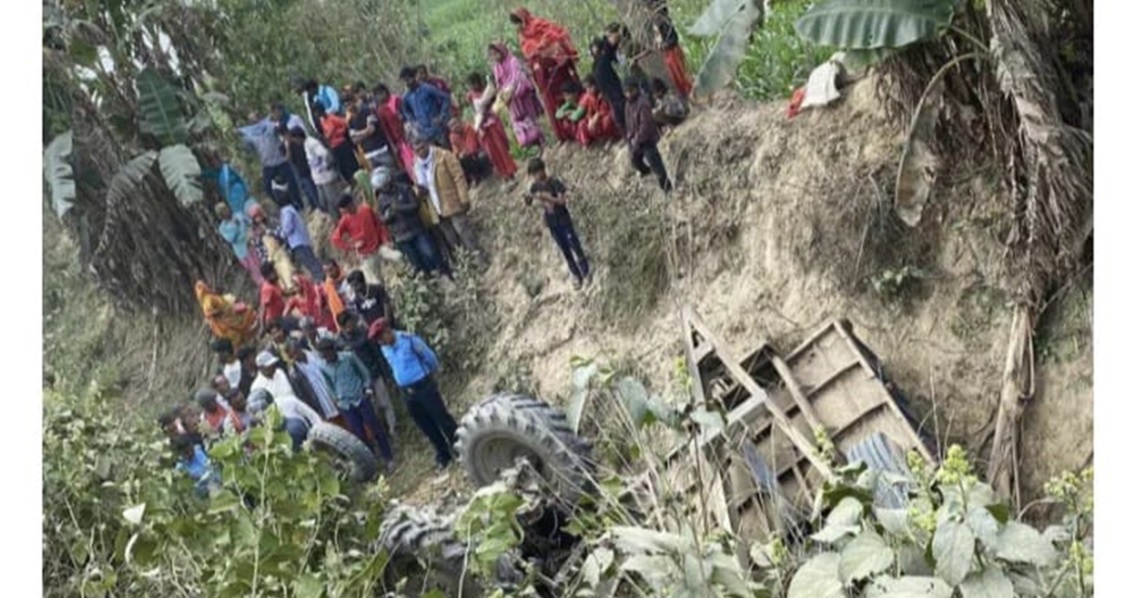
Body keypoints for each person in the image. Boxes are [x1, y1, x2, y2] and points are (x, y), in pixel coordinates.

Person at [371, 319, 459, 470]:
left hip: (423, 386)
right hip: (407, 391)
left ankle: (458, 447)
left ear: (388, 331)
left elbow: (429, 357)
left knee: (441, 418)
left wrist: (430, 378)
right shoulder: (385, 349)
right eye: (378, 341)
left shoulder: (409, 340)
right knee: (426, 425)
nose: (380, 343)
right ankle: (443, 454)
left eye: (381, 338)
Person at [316, 338, 395, 471]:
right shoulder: (324, 367)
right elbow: (329, 385)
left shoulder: (348, 357)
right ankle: (372, 464)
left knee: (375, 427)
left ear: (332, 350)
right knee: (360, 435)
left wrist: (367, 389)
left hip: (360, 398)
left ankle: (388, 457)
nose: (326, 357)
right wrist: (337, 399)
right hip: (346, 405)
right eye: (323, 355)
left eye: (327, 353)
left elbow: (364, 373)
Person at [510, 8, 581, 143]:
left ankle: (578, 129)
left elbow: (555, 35)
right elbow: (529, 54)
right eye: (514, 24)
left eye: (518, 22)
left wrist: (543, 48)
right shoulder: (522, 37)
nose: (517, 26)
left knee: (567, 96)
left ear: (523, 19)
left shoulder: (539, 25)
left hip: (556, 70)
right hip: (542, 75)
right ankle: (563, 134)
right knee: (552, 102)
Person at [412, 139, 483, 263]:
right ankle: (465, 262)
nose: (420, 152)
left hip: (451, 200)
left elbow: (458, 176)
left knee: (463, 229)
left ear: (428, 144)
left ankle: (479, 257)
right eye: (417, 150)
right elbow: (420, 187)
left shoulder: (443, 156)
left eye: (422, 147)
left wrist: (464, 197)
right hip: (435, 207)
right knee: (451, 238)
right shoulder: (417, 166)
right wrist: (420, 191)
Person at [526, 158, 591, 288]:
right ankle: (576, 275)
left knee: (575, 246)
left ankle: (586, 273)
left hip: (563, 220)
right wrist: (528, 198)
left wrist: (547, 197)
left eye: (536, 173)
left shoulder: (554, 183)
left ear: (542, 170)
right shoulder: (535, 187)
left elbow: (562, 201)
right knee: (565, 250)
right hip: (552, 223)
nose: (535, 177)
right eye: (533, 175)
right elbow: (530, 202)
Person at [376, 171, 449, 278]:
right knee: (416, 262)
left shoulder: (404, 189)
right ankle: (429, 281)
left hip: (416, 229)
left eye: (385, 185)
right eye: (382, 187)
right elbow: (382, 219)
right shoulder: (381, 200)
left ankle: (444, 272)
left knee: (431, 252)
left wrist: (399, 208)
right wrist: (389, 216)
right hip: (401, 236)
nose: (385, 188)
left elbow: (415, 206)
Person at [336, 311, 397, 436]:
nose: (349, 328)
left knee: (385, 402)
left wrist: (385, 373)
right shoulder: (340, 343)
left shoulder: (363, 334)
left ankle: (393, 428)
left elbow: (377, 354)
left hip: (373, 372)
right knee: (372, 408)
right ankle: (382, 431)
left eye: (350, 324)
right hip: (359, 381)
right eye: (346, 326)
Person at [249, 350, 323, 447]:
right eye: (269, 365)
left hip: (295, 407)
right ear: (261, 368)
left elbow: (290, 393)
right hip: (280, 423)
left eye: (273, 364)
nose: (273, 367)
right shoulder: (256, 387)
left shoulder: (280, 372)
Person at [488, 42, 545, 152]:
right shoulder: (496, 68)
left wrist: (511, 90)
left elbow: (516, 77)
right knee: (518, 121)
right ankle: (529, 144)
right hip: (511, 100)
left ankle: (540, 142)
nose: (494, 57)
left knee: (530, 117)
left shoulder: (513, 61)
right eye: (492, 55)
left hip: (522, 94)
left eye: (495, 53)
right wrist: (502, 94)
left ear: (501, 51)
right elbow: (498, 83)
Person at [239, 111, 301, 204]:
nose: (254, 120)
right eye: (251, 119)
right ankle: (281, 203)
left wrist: (287, 149)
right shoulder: (250, 134)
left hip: (280, 159)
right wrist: (244, 141)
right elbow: (249, 149)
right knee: (267, 187)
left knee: (292, 182)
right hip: (267, 164)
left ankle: (298, 202)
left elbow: (282, 132)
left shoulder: (269, 126)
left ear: (259, 117)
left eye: (255, 117)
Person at [331, 193, 393, 285]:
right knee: (377, 282)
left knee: (398, 258)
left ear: (351, 203)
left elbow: (379, 224)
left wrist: (385, 239)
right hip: (366, 254)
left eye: (347, 208)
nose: (347, 211)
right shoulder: (345, 220)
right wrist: (352, 246)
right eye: (345, 210)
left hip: (379, 246)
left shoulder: (366, 209)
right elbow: (335, 239)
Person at [465, 72, 518, 179]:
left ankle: (510, 172)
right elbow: (475, 110)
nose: (474, 86)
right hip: (483, 126)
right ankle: (504, 175)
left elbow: (493, 104)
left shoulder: (488, 90)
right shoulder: (471, 96)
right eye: (471, 85)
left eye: (475, 83)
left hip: (492, 122)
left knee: (501, 148)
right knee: (492, 152)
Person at [624, 79, 674, 192]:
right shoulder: (628, 105)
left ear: (636, 89)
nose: (629, 94)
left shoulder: (643, 103)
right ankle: (646, 172)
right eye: (626, 92)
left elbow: (645, 126)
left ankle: (667, 188)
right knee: (634, 159)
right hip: (636, 139)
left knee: (657, 165)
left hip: (647, 140)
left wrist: (637, 139)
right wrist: (630, 138)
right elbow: (628, 123)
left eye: (631, 91)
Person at [347, 92, 396, 188]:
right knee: (379, 182)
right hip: (369, 155)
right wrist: (366, 131)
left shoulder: (367, 111)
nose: (348, 107)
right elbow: (354, 141)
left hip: (381, 149)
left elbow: (372, 129)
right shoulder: (351, 121)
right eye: (345, 105)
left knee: (393, 175)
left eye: (349, 103)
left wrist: (358, 133)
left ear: (354, 101)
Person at [290, 127, 342, 215]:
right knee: (323, 202)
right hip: (319, 178)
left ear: (298, 137)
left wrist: (326, 165)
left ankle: (339, 219)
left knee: (332, 201)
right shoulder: (306, 145)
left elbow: (324, 153)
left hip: (326, 177)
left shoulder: (312, 143)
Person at [248, 203, 298, 294]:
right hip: (270, 258)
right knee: (279, 276)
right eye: (255, 217)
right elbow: (258, 248)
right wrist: (265, 260)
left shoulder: (272, 222)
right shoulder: (254, 232)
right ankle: (287, 292)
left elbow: (281, 234)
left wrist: (268, 231)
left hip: (280, 251)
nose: (258, 219)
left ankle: (294, 287)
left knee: (288, 270)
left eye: (259, 215)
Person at [285, 338, 340, 420]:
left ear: (299, 348)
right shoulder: (294, 373)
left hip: (334, 391)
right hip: (320, 401)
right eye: (292, 356)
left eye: (296, 353)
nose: (295, 357)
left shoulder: (315, 354)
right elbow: (302, 395)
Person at [648, 0, 694, 98]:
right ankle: (687, 96)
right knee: (676, 78)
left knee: (681, 76)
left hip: (673, 51)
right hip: (667, 53)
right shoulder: (657, 23)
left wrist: (664, 45)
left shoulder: (665, 22)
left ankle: (692, 94)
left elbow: (673, 39)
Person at [399, 66, 453, 149]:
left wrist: (441, 116)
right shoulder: (406, 96)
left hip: (438, 128)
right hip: (424, 132)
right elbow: (405, 111)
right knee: (434, 157)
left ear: (413, 77)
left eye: (408, 79)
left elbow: (445, 98)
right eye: (404, 81)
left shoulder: (426, 88)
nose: (407, 83)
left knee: (447, 152)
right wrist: (413, 122)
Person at [271, 197, 323, 281]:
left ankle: (321, 278)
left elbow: (288, 227)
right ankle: (321, 277)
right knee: (311, 260)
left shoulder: (286, 211)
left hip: (298, 242)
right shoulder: (291, 209)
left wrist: (281, 235)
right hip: (302, 240)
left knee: (309, 262)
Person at [373, 83, 417, 178]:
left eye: (381, 93)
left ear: (386, 91)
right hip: (399, 140)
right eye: (377, 95)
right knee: (409, 160)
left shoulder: (396, 100)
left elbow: (407, 113)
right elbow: (386, 129)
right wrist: (392, 144)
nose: (380, 96)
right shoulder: (381, 110)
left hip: (409, 132)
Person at [196, 281, 258, 349]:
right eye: (204, 286)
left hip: (229, 314)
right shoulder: (207, 300)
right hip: (225, 320)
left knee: (246, 315)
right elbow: (209, 313)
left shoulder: (210, 297)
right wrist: (221, 311)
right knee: (237, 332)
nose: (206, 286)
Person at [214, 202, 263, 285]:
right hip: (243, 251)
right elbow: (231, 238)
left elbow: (250, 222)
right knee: (255, 270)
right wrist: (235, 225)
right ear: (220, 215)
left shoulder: (239, 214)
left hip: (253, 243)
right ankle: (264, 286)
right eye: (222, 211)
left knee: (263, 263)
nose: (226, 211)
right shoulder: (223, 228)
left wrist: (250, 231)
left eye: (225, 208)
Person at [280, 121, 321, 212]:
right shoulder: (284, 146)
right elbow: (288, 160)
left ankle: (321, 205)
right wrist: (288, 147)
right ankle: (318, 206)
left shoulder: (296, 137)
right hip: (300, 170)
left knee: (318, 187)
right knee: (310, 190)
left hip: (309, 165)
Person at [589, 36, 627, 134]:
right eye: (592, 47)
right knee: (617, 116)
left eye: (595, 46)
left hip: (615, 88)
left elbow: (610, 47)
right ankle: (625, 134)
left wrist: (605, 38)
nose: (594, 49)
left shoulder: (605, 56)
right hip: (607, 93)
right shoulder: (594, 65)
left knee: (623, 109)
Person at [315, 103, 359, 182]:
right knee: (343, 168)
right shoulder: (322, 121)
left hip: (342, 144)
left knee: (350, 166)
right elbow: (326, 133)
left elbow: (345, 124)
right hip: (334, 147)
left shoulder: (332, 118)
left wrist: (337, 133)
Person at [448, 117, 492, 186]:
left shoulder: (468, 128)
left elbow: (473, 145)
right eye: (452, 127)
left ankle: (487, 174)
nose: (455, 127)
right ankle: (475, 177)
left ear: (459, 122)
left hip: (478, 150)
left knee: (481, 156)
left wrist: (465, 152)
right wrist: (459, 154)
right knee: (461, 161)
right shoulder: (452, 136)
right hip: (467, 155)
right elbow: (455, 150)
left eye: (455, 124)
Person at [578, 75, 621, 145]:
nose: (588, 90)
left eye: (590, 87)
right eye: (586, 88)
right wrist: (590, 119)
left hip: (605, 116)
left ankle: (611, 137)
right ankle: (588, 142)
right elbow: (589, 110)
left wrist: (597, 116)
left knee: (607, 121)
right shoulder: (590, 97)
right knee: (582, 123)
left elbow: (605, 109)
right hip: (596, 119)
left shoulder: (603, 94)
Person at [322, 259, 353, 331]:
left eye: (331, 270)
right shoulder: (328, 286)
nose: (329, 273)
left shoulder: (348, 276)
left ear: (337, 267)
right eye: (326, 271)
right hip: (345, 316)